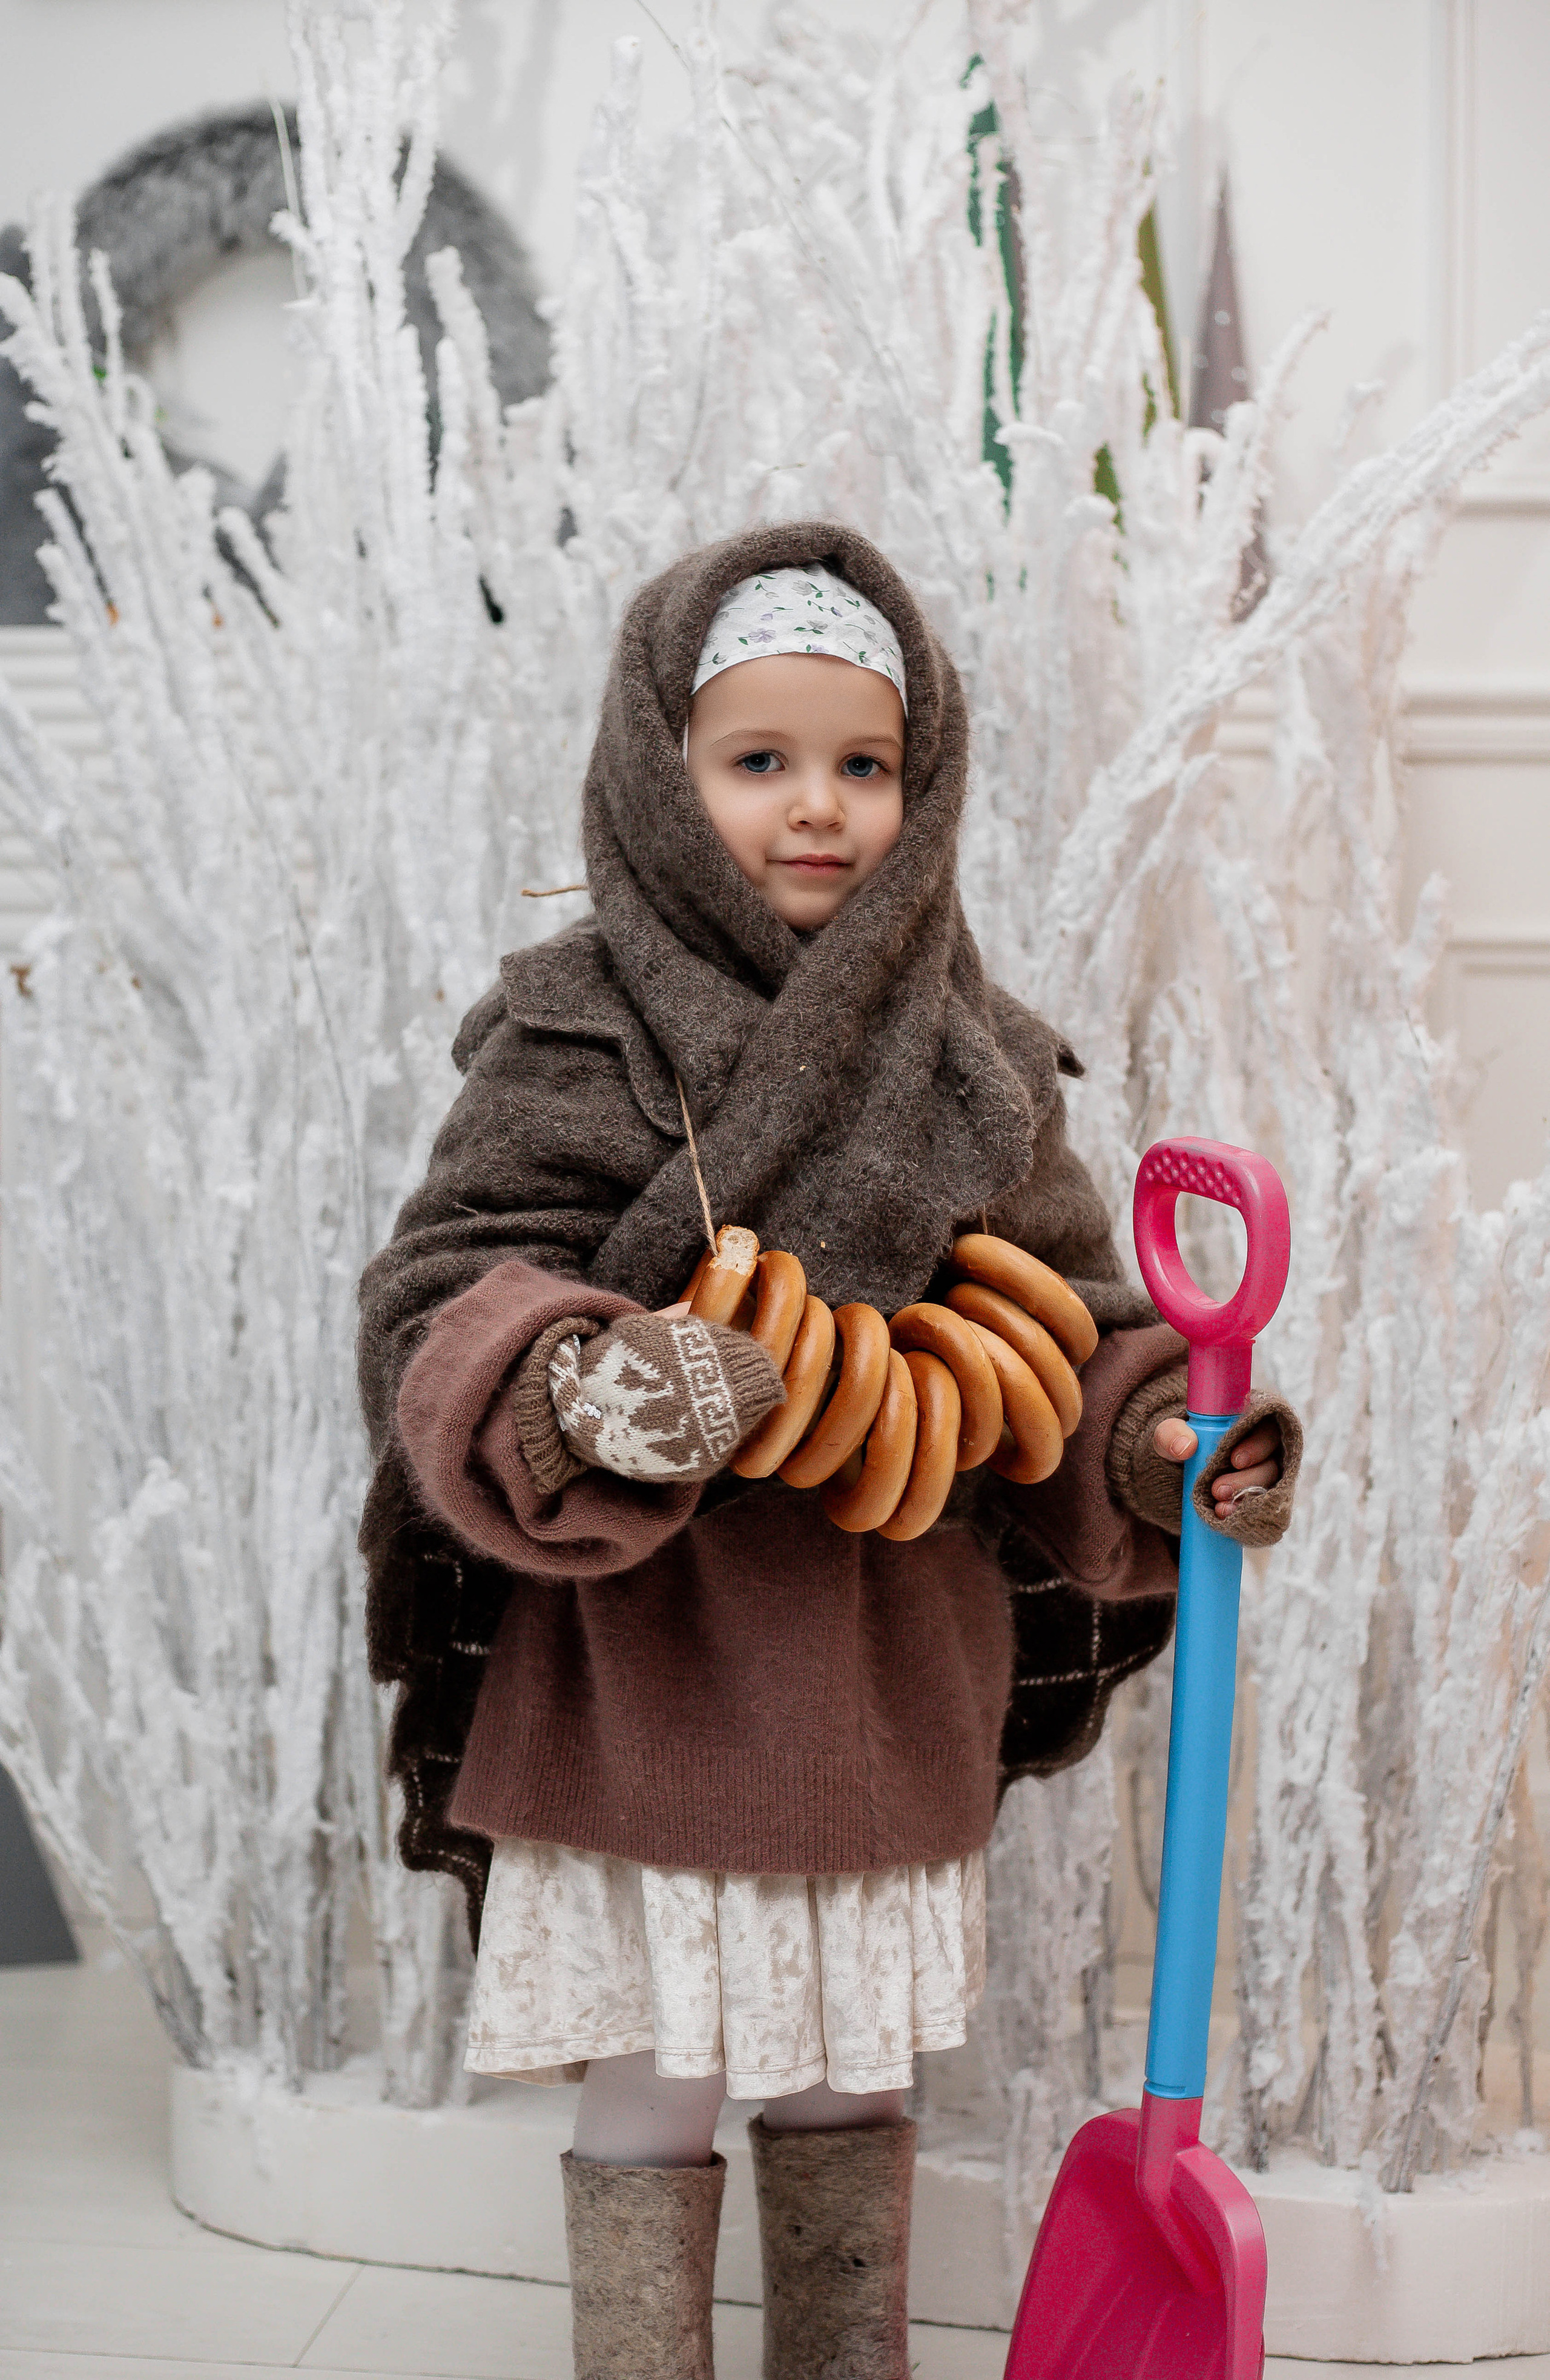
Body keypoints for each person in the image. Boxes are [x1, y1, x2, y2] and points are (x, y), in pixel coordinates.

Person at [357, 524, 1300, 2380]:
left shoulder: (972, 1059)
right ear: (662, 772)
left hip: (879, 1672)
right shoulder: (577, 1027)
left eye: (865, 765)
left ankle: (845, 2360)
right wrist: (583, 1385)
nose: (819, 808)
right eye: (760, 760)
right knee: (658, 2068)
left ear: (923, 780)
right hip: (649, 1659)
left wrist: (1154, 1449)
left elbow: (1067, 1330)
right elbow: (443, 1287)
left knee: (854, 2076)